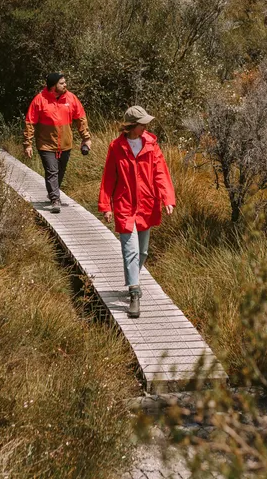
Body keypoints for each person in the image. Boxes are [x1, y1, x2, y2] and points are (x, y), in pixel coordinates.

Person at [98, 106, 177, 318]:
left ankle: (133, 278)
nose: (146, 126)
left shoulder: (151, 145)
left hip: (146, 204)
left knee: (142, 252)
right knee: (130, 250)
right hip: (124, 205)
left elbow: (160, 173)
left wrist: (167, 198)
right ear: (133, 125)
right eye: (143, 123)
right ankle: (134, 293)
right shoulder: (116, 147)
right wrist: (106, 205)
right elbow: (109, 177)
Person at [24, 72, 91, 213]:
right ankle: (55, 199)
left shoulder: (71, 98)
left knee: (60, 171)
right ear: (53, 86)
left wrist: (86, 138)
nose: (65, 85)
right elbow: (30, 122)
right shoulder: (39, 100)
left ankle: (52, 191)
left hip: (65, 144)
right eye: (61, 83)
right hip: (46, 144)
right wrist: (28, 144)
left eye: (65, 82)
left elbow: (81, 119)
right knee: (52, 171)